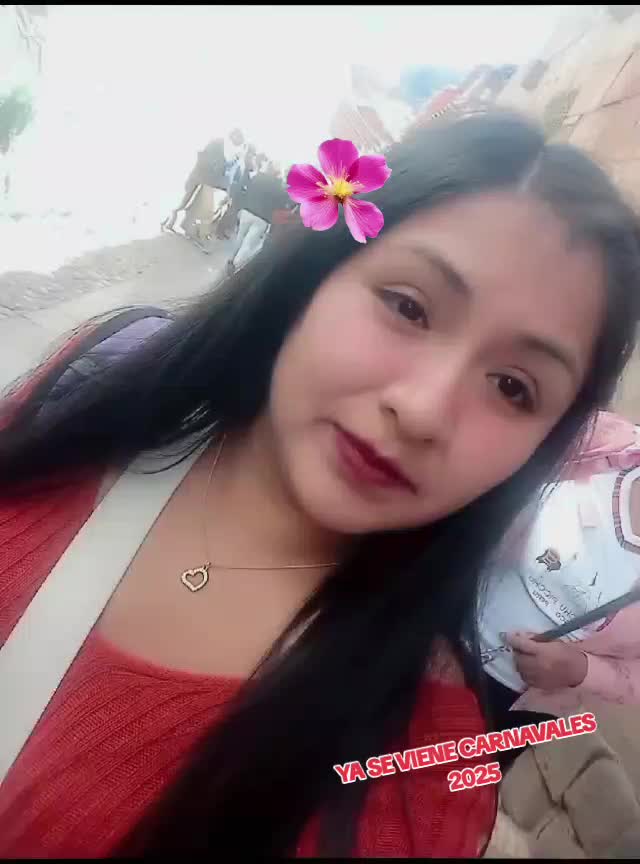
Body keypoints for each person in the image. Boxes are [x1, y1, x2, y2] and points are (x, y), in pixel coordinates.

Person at [1, 111, 640, 858]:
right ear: (322, 269)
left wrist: (584, 670)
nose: (423, 409)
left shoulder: (410, 788)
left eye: (512, 387)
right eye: (408, 306)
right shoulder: (89, 389)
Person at [478, 410, 640, 768]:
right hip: (425, 623)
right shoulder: (605, 440)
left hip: (508, 705)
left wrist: (580, 669)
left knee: (432, 790)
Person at [226, 157, 289, 274]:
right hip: (262, 218)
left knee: (240, 236)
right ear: (278, 173)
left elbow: (247, 190)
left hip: (247, 211)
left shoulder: (258, 177)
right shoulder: (279, 187)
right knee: (248, 243)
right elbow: (281, 204)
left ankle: (230, 259)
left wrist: (242, 206)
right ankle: (235, 265)